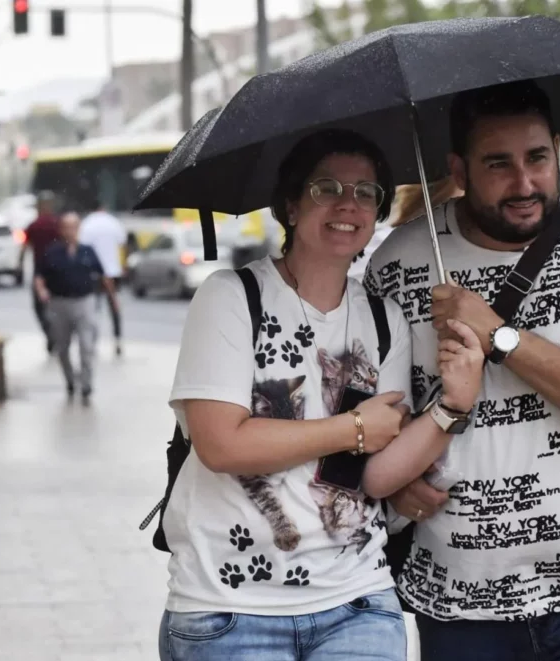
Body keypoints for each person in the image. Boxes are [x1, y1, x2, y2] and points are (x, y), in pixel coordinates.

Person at [363, 80, 560, 660]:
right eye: (498, 164)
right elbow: (374, 414)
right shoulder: (398, 263)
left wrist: (499, 336)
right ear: (458, 168)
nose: (525, 183)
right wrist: (396, 481)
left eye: (538, 158)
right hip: (458, 602)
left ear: (558, 149)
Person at [160, 128, 485, 661]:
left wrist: (452, 406)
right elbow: (221, 446)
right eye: (326, 188)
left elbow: (375, 476)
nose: (347, 205)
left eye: (365, 193)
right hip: (229, 610)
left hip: (356, 601)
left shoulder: (384, 320)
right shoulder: (231, 298)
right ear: (290, 204)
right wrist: (351, 429)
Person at [34, 211, 119, 405]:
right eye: (66, 227)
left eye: (74, 227)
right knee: (62, 347)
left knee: (87, 345)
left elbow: (103, 275)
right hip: (59, 303)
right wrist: (42, 292)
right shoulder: (52, 251)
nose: (70, 231)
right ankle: (70, 380)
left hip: (84, 302)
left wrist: (113, 298)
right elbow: (39, 276)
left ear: (79, 229)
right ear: (61, 229)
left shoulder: (88, 251)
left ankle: (87, 384)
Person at [79, 198, 127, 356]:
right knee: (114, 307)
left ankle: (93, 341)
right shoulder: (114, 222)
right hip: (113, 272)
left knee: (93, 309)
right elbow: (122, 244)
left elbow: (83, 249)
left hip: (94, 274)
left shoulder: (87, 224)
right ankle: (117, 340)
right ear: (103, 207)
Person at [21, 194, 62, 352]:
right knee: (57, 305)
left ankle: (50, 333)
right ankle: (56, 333)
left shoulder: (34, 225)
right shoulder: (57, 224)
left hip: (40, 273)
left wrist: (19, 264)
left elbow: (25, 245)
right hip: (58, 272)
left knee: (39, 307)